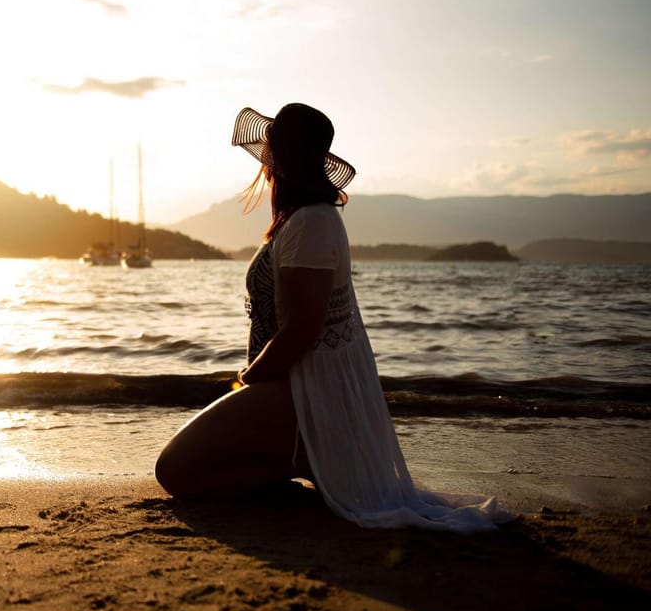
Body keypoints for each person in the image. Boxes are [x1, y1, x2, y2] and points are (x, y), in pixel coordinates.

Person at [155, 103, 511, 532]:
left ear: (279, 161)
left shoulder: (312, 223)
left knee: (174, 471)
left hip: (305, 393)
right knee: (187, 468)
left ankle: (309, 458)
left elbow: (303, 330)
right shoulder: (301, 222)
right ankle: (299, 468)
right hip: (291, 389)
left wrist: (250, 375)